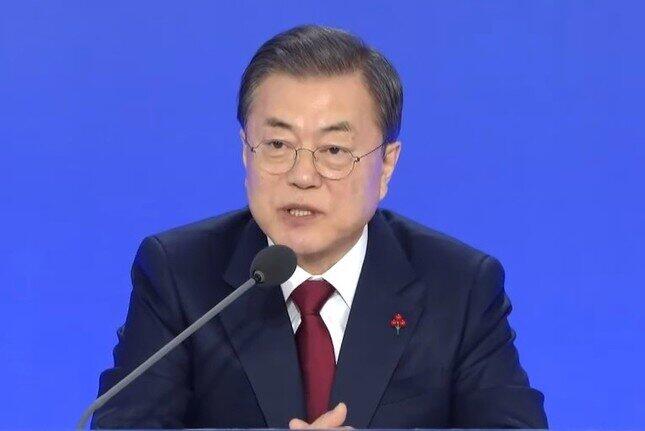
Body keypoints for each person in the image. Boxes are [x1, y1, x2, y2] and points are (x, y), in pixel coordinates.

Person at [91, 25, 548, 429]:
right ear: (245, 151)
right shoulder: (179, 273)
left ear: (386, 166)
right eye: (277, 144)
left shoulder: (459, 286)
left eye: (333, 150)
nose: (302, 175)